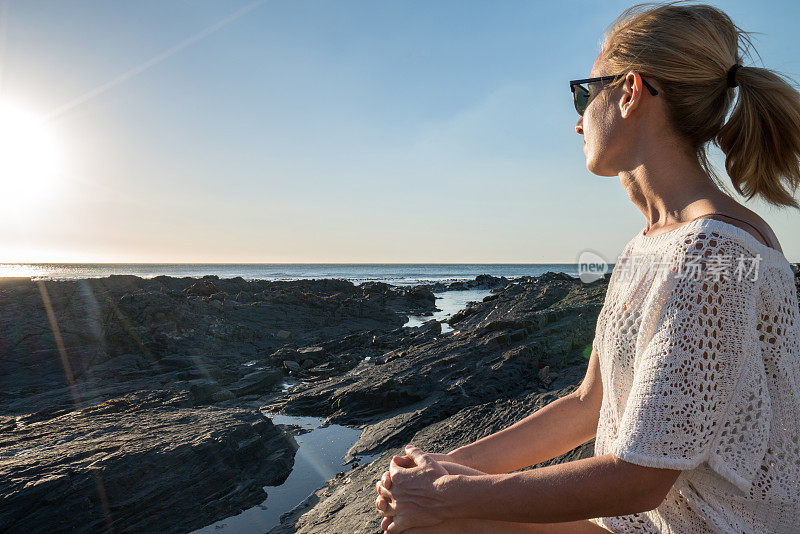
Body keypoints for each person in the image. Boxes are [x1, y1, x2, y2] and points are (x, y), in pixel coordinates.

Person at [374, 1, 800, 532]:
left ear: (629, 92)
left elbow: (640, 479)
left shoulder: (718, 256)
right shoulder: (651, 245)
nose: (577, 120)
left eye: (584, 91)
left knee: (434, 524)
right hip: (636, 524)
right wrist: (449, 468)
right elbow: (587, 402)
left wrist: (450, 497)